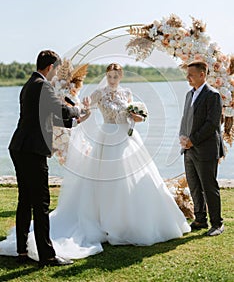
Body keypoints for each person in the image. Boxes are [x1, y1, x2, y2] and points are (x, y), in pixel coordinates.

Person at [1, 62, 190, 262]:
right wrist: (79, 110)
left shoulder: (127, 93)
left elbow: (135, 118)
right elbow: (82, 108)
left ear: (121, 76)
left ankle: (134, 221)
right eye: (110, 76)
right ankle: (105, 222)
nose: (113, 80)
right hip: (107, 138)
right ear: (106, 76)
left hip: (128, 139)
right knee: (103, 182)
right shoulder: (99, 93)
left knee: (135, 179)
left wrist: (137, 116)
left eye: (116, 76)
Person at [7, 50, 83, 267]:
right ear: (50, 67)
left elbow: (47, 116)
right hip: (32, 150)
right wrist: (77, 110)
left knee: (25, 201)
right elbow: (60, 110)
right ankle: (47, 255)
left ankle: (22, 251)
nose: (56, 73)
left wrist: (75, 122)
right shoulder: (42, 85)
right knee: (41, 203)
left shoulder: (30, 84)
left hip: (20, 147)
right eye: (56, 69)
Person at [179, 60, 225, 236]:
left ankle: (217, 223)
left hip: (206, 149)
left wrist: (193, 140)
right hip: (189, 149)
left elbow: (212, 124)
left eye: (191, 74)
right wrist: (183, 138)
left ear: (202, 75)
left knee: (209, 186)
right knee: (194, 186)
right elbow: (186, 118)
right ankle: (200, 219)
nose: (188, 77)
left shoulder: (213, 95)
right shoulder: (189, 94)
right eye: (187, 74)